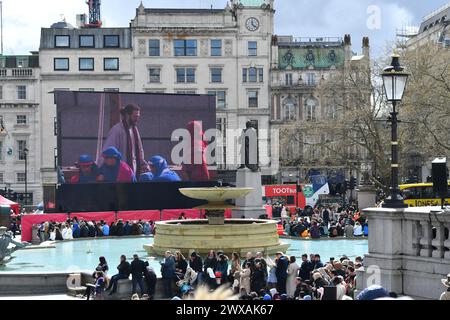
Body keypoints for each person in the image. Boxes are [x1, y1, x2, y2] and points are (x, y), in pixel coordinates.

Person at [102, 103, 146, 176]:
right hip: (120, 172)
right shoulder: (116, 130)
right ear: (127, 115)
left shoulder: (134, 129)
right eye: (135, 116)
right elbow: (107, 152)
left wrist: (142, 163)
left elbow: (140, 149)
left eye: (138, 117)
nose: (137, 119)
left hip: (133, 171)